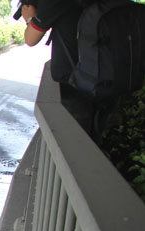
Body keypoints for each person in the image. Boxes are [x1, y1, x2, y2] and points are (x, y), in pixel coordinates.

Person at [21, 1, 96, 135]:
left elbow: (30, 39)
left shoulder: (55, 2)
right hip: (107, 80)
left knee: (74, 143)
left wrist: (30, 18)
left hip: (75, 86)